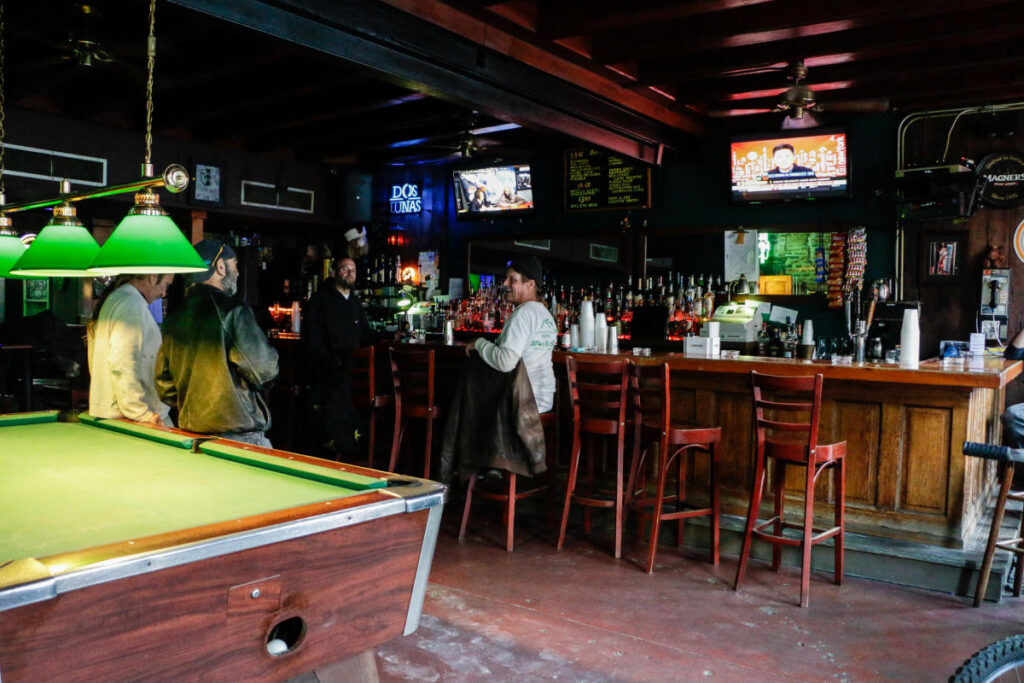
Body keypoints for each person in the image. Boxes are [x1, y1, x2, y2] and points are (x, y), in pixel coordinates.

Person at [156, 239, 279, 446]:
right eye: (235, 265)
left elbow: (164, 387)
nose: (238, 272)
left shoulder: (174, 319)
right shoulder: (233, 312)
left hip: (193, 437)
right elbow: (264, 371)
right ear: (220, 267)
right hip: (240, 438)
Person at [467, 256, 557, 413]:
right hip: (544, 400)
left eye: (512, 279)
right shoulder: (545, 315)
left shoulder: (523, 314)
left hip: (523, 401)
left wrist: (478, 343)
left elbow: (506, 362)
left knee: (470, 401)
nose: (505, 283)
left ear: (530, 284)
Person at [303, 257, 373, 459]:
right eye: (345, 269)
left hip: (353, 373)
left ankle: (354, 448)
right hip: (327, 372)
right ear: (334, 272)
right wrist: (331, 364)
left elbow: (366, 336)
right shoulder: (320, 300)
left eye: (353, 269)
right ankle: (341, 448)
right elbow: (313, 341)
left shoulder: (355, 302)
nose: (350, 273)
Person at [87, 274, 174, 425]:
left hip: (119, 415)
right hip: (134, 419)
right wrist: (140, 413)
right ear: (153, 277)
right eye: (166, 284)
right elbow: (123, 362)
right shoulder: (131, 303)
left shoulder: (121, 298)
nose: (164, 293)